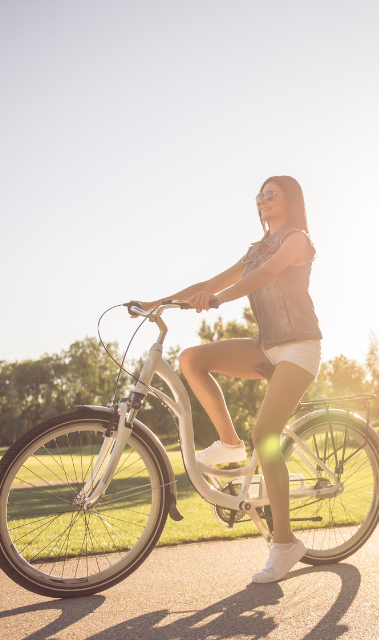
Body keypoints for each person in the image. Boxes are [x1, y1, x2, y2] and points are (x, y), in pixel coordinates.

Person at [136, 176, 322, 583]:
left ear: (291, 199)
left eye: (270, 194)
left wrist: (219, 300)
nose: (262, 201)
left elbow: (264, 277)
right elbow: (208, 284)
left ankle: (286, 543)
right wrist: (158, 302)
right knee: (192, 358)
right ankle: (228, 443)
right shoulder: (255, 250)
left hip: (300, 349)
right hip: (266, 344)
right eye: (259, 196)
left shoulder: (297, 240)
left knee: (266, 436)